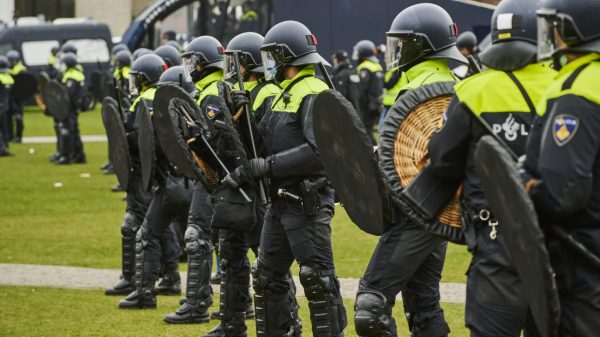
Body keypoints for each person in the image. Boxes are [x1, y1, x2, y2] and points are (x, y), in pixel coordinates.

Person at [427, 1, 557, 336]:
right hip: (560, 241)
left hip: (496, 242)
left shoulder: (472, 90)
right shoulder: (565, 87)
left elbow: (442, 160)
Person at [223, 20, 347, 337]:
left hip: (307, 202)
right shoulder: (282, 94)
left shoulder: (315, 93)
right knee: (266, 276)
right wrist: (242, 119)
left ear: (285, 57)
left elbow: (318, 152)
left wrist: (267, 166)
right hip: (280, 204)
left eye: (271, 57)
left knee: (317, 279)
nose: (267, 65)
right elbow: (260, 141)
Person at [354, 4, 467, 337]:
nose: (396, 50)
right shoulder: (449, 84)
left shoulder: (424, 89)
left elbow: (425, 158)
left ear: (421, 45)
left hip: (417, 210)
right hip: (437, 211)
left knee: (370, 306)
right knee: (424, 307)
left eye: (402, 43)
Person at [526, 0, 600, 335]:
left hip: (582, 262)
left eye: (554, 26)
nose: (551, 35)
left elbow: (563, 192)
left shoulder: (577, 91)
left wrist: (524, 188)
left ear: (573, 29)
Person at [201, 31, 281, 337]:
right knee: (231, 257)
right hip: (234, 188)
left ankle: (283, 327)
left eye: (235, 60)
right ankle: (231, 325)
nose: (230, 66)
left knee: (268, 266)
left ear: (247, 62)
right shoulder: (233, 90)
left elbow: (262, 144)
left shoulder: (267, 93)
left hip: (259, 192)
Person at [118, 62, 193, 309]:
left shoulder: (163, 114)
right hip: (191, 187)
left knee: (147, 234)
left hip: (172, 187)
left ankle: (146, 294)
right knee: (201, 241)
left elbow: (149, 146)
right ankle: (184, 291)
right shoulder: (193, 109)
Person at [163, 35, 224, 324]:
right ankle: (235, 307)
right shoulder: (217, 88)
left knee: (197, 236)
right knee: (229, 241)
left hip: (211, 177)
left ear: (202, 62)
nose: (189, 67)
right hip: (224, 179)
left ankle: (197, 304)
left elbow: (208, 142)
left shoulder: (210, 94)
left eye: (191, 61)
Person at [55, 52, 86, 164]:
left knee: (68, 132)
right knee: (74, 132)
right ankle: (79, 155)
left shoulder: (71, 76)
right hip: (74, 107)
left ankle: (67, 156)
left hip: (70, 108)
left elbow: (68, 93)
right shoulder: (76, 73)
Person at [353, 40, 384, 145]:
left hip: (366, 106)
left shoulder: (363, 67)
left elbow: (361, 88)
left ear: (363, 53)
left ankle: (373, 154)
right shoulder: (377, 66)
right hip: (376, 104)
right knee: (370, 130)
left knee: (366, 131)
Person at [7, 50, 27, 143]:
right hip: (10, 97)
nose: (11, 62)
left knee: (18, 117)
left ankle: (18, 136)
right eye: (10, 60)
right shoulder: (6, 69)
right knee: (8, 116)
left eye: (13, 60)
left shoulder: (21, 69)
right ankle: (9, 135)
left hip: (19, 97)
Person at [0, 56, 13, 156]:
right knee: (4, 128)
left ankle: (1, 148)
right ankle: (5, 146)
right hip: (6, 107)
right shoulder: (8, 78)